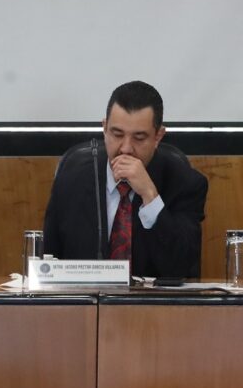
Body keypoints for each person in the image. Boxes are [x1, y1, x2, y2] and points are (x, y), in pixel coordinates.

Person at [43, 81, 207, 279]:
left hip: (154, 300)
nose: (126, 148)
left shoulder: (185, 184)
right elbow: (49, 264)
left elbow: (181, 267)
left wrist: (150, 196)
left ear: (158, 136)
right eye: (117, 134)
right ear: (104, 128)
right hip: (85, 297)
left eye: (139, 137)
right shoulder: (71, 180)